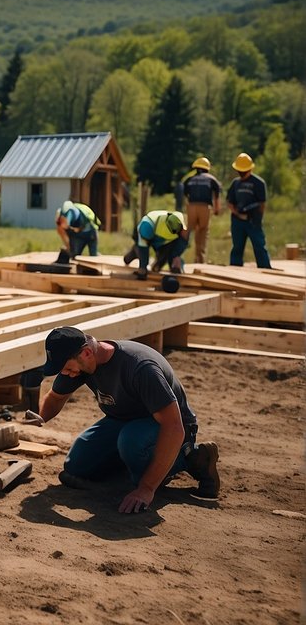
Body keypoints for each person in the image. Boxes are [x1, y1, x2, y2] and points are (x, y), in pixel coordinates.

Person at [36, 325, 220, 512]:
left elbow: (173, 427)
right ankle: (135, 467)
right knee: (77, 465)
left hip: (170, 427)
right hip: (125, 421)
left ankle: (191, 458)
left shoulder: (140, 367)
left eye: (67, 368)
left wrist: (146, 489)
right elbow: (55, 398)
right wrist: (39, 418)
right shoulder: (81, 365)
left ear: (86, 353)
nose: (67, 373)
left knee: (131, 443)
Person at [226, 152, 272, 269]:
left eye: (244, 171)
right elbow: (230, 202)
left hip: (253, 221)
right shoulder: (235, 183)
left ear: (250, 169)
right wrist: (238, 214)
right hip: (237, 221)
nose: (241, 173)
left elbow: (262, 203)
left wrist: (257, 218)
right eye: (240, 171)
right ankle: (235, 270)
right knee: (237, 248)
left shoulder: (259, 183)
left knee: (259, 246)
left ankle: (265, 270)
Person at [179, 157, 222, 264]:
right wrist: (216, 210)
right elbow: (216, 196)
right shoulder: (212, 179)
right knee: (202, 232)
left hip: (191, 206)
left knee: (188, 231)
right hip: (204, 207)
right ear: (207, 168)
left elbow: (185, 197)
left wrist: (188, 209)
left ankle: (177, 255)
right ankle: (200, 260)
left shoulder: (189, 179)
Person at [133, 210, 188, 280]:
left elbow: (180, 244)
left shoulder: (178, 223)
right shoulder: (146, 226)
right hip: (147, 235)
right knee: (141, 253)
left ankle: (164, 263)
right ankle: (134, 252)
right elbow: (143, 248)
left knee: (157, 267)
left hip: (161, 242)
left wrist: (176, 257)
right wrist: (143, 268)